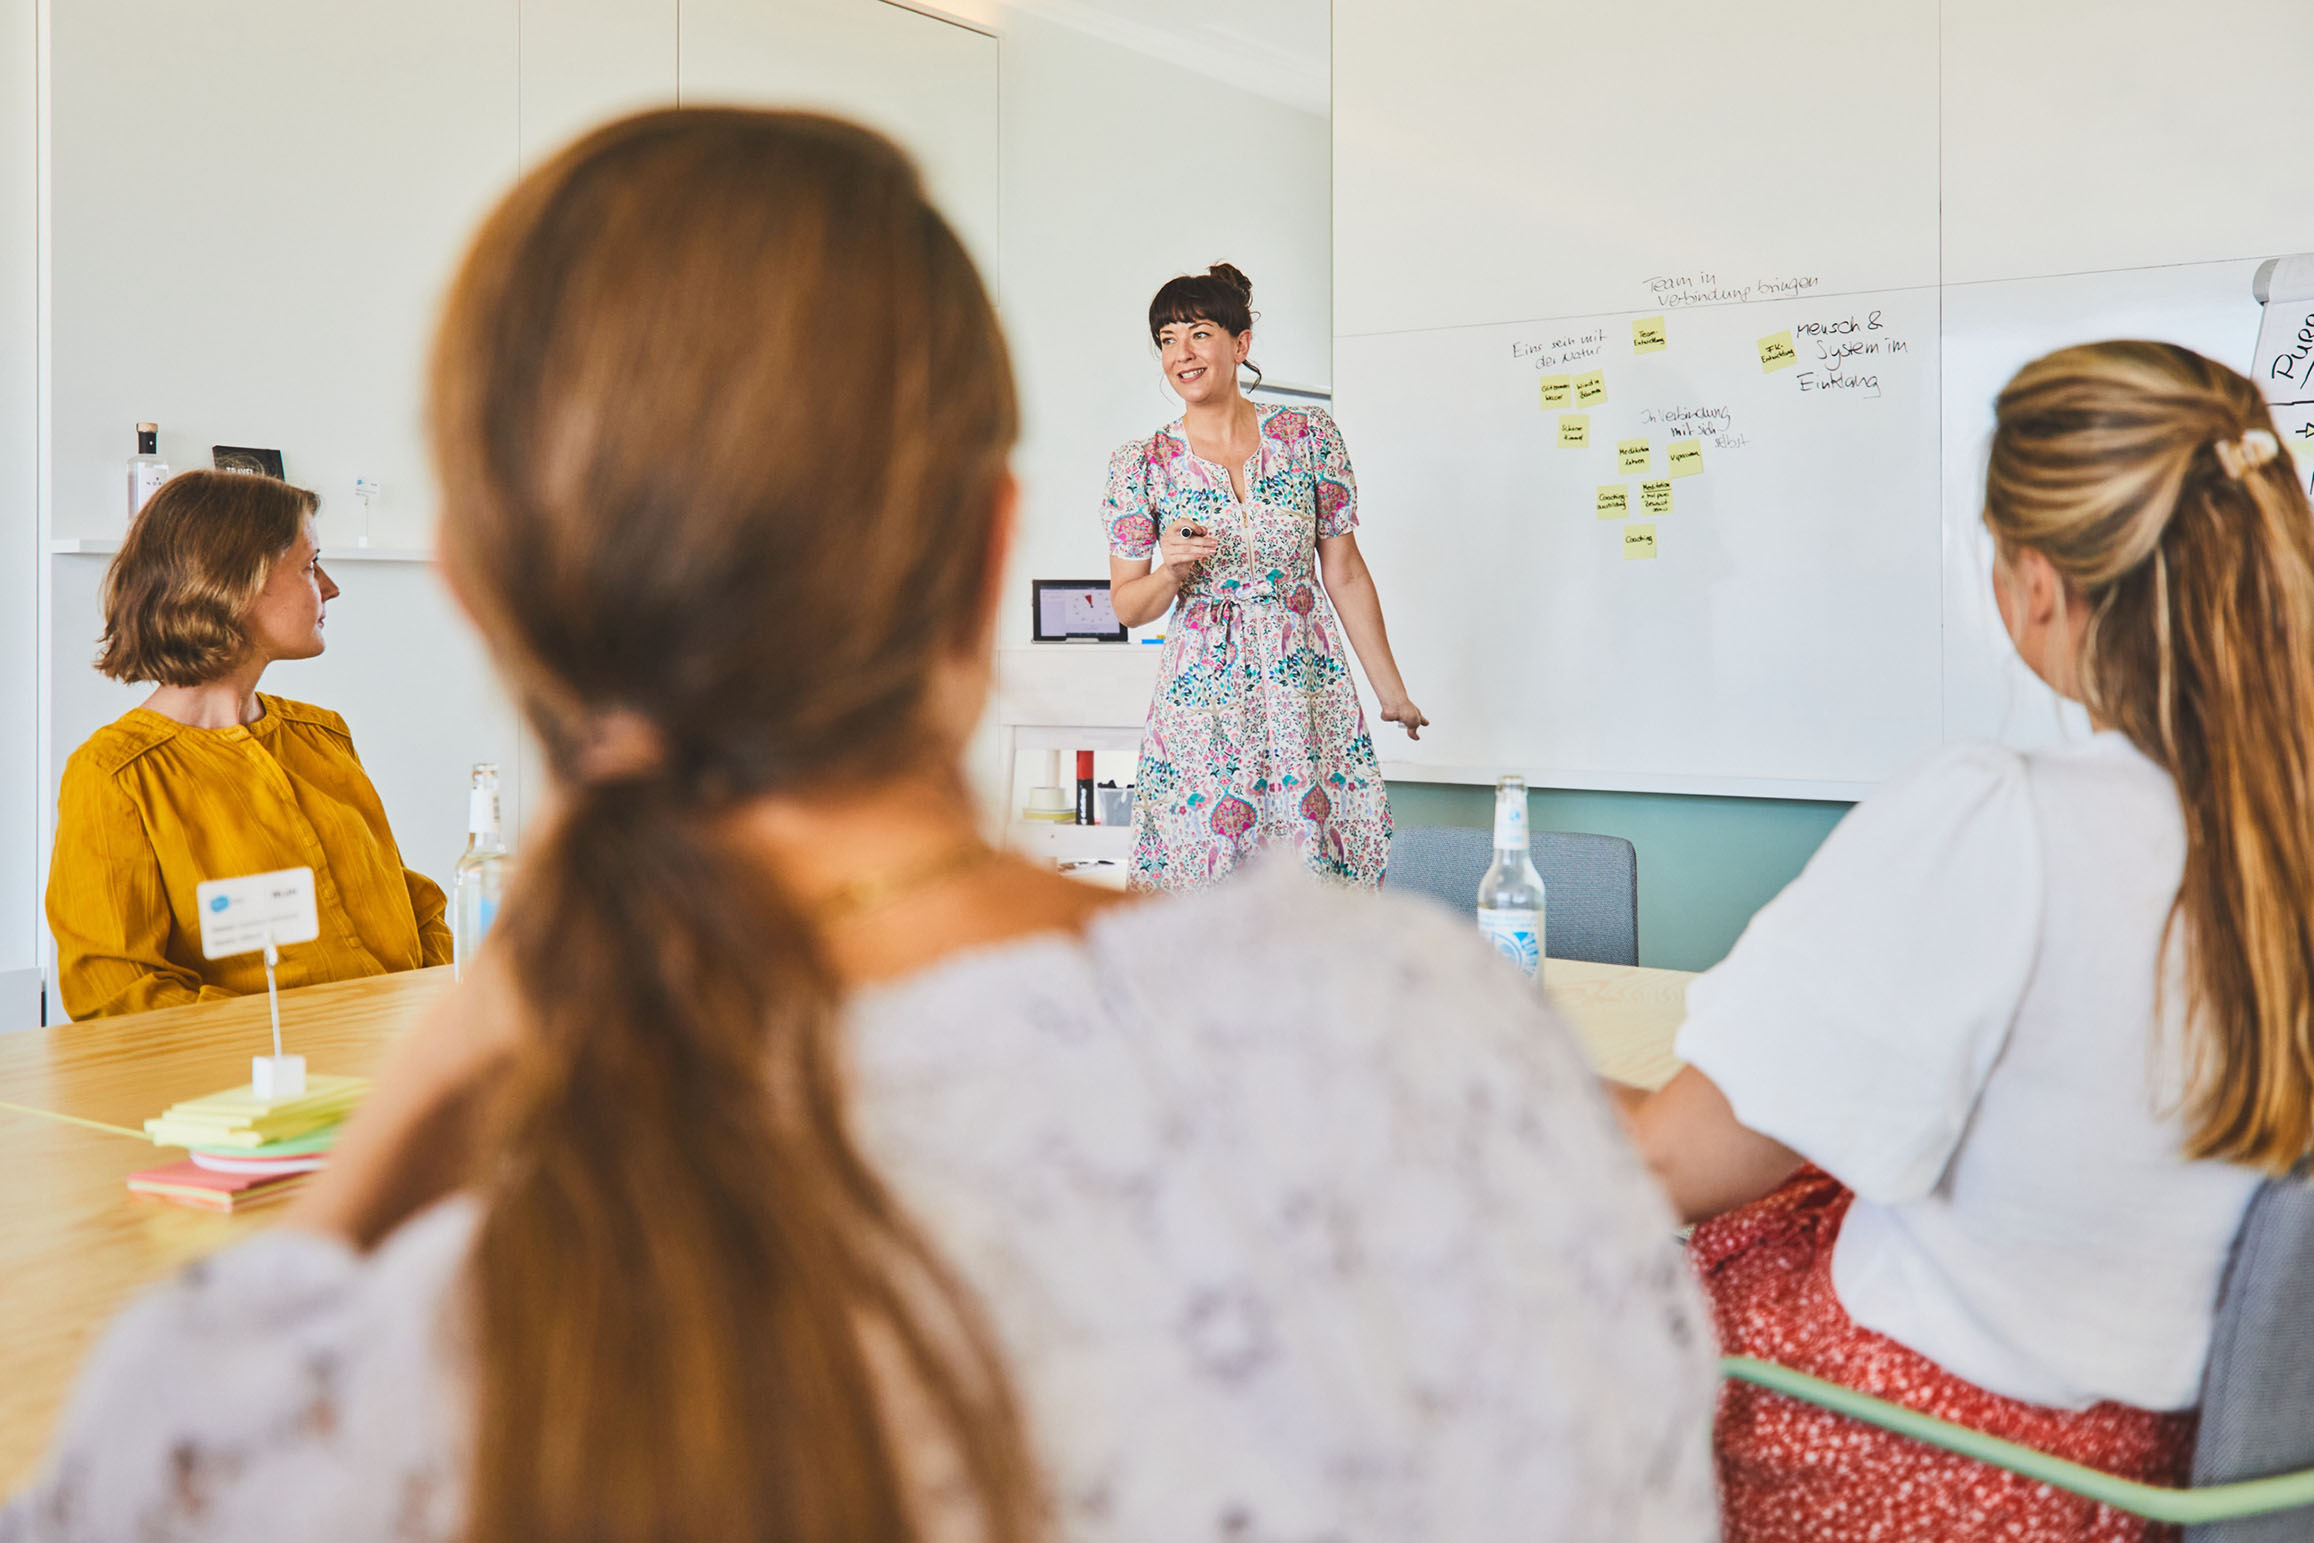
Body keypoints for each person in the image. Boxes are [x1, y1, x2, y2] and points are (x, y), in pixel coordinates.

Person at [3, 111, 1718, 1542]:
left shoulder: (313, 1383)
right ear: (985, 558)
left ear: (481, 594)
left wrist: (433, 1087)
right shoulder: (1430, 1044)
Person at [1619, 341, 2314, 1542]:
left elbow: (1664, 1163)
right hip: (2154, 1475)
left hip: (1918, 1460)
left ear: (2034, 583)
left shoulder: (2006, 822)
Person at [45, 470, 451, 1019]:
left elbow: (415, 908)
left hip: (400, 1068)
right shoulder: (115, 774)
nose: (329, 587)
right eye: (309, 566)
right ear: (234, 582)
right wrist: (306, 1047)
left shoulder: (322, 735)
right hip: (261, 1092)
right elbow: (118, 994)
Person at [1102, 264, 1425, 893]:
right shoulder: (1140, 464)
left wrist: (1392, 693)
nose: (1181, 355)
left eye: (1198, 334)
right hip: (1204, 700)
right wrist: (1171, 571)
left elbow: (1347, 573)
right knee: (1210, 879)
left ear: (1240, 343)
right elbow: (1127, 606)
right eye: (1167, 340)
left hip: (1306, 681)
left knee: (1316, 879)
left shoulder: (1309, 437)